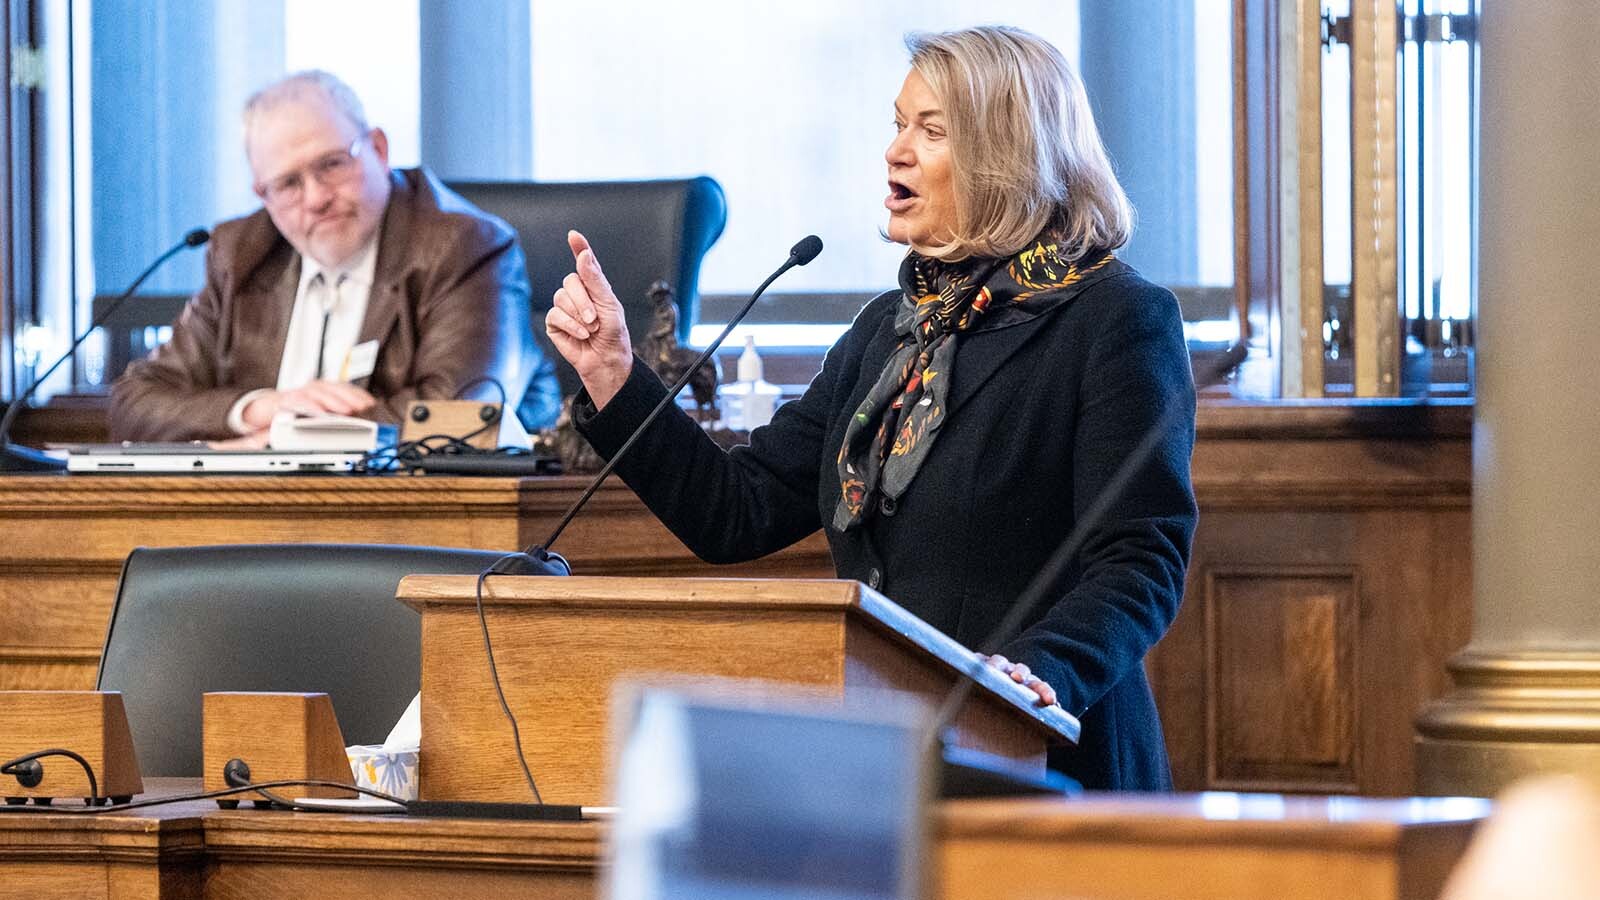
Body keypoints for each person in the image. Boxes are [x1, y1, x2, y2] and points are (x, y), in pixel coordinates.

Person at [546, 26, 1195, 790]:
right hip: (890, 762)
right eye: (897, 124)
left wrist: (1031, 675)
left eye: (932, 131)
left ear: (1008, 155)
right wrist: (617, 376)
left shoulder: (1114, 321)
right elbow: (738, 512)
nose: (895, 151)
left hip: (1046, 764)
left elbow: (1138, 561)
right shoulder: (888, 331)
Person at [109, 70, 552, 443]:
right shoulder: (241, 253)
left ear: (378, 149)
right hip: (249, 515)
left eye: (332, 164)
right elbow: (135, 402)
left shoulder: (465, 245)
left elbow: (464, 415)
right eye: (288, 184)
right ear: (262, 194)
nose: (317, 197)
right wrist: (258, 408)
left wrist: (289, 432)